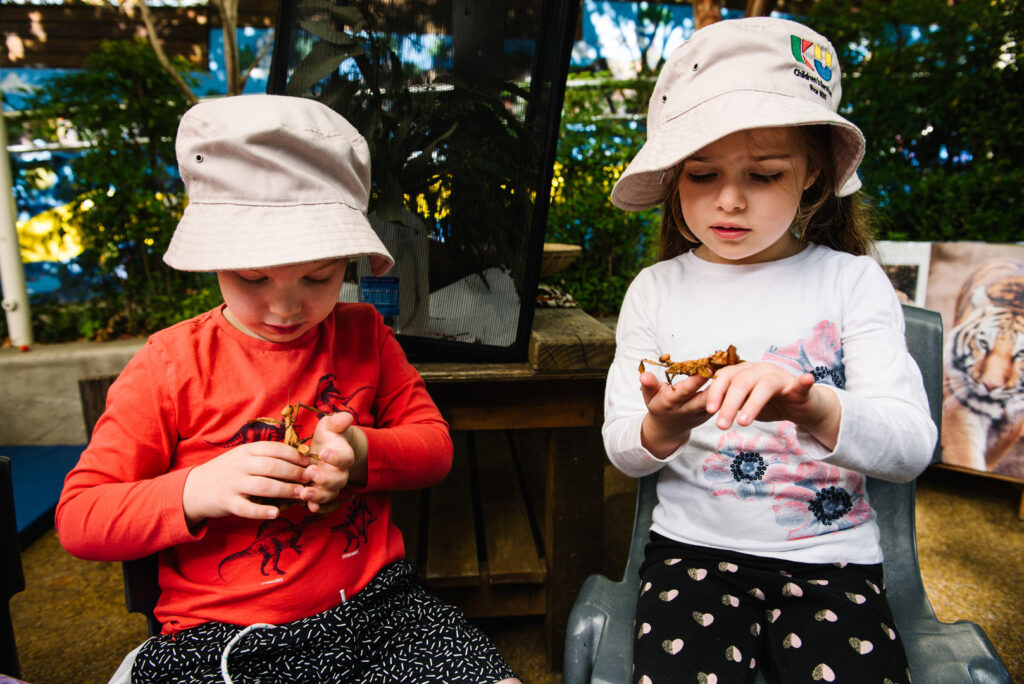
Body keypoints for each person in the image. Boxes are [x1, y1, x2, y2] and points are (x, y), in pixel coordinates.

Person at [56, 94, 521, 684]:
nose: (285, 306)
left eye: (318, 276)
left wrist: (358, 456)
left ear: (347, 261)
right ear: (216, 260)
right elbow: (79, 517)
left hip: (378, 612)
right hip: (221, 636)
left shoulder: (363, 334)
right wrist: (199, 489)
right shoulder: (171, 364)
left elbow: (435, 447)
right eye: (253, 277)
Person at [602, 17, 936, 684]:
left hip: (834, 561)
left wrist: (814, 406)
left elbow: (909, 448)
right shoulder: (656, 290)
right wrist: (664, 424)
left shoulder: (851, 281)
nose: (729, 199)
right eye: (700, 175)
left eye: (763, 174)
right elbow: (621, 446)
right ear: (674, 177)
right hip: (690, 556)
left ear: (812, 174)